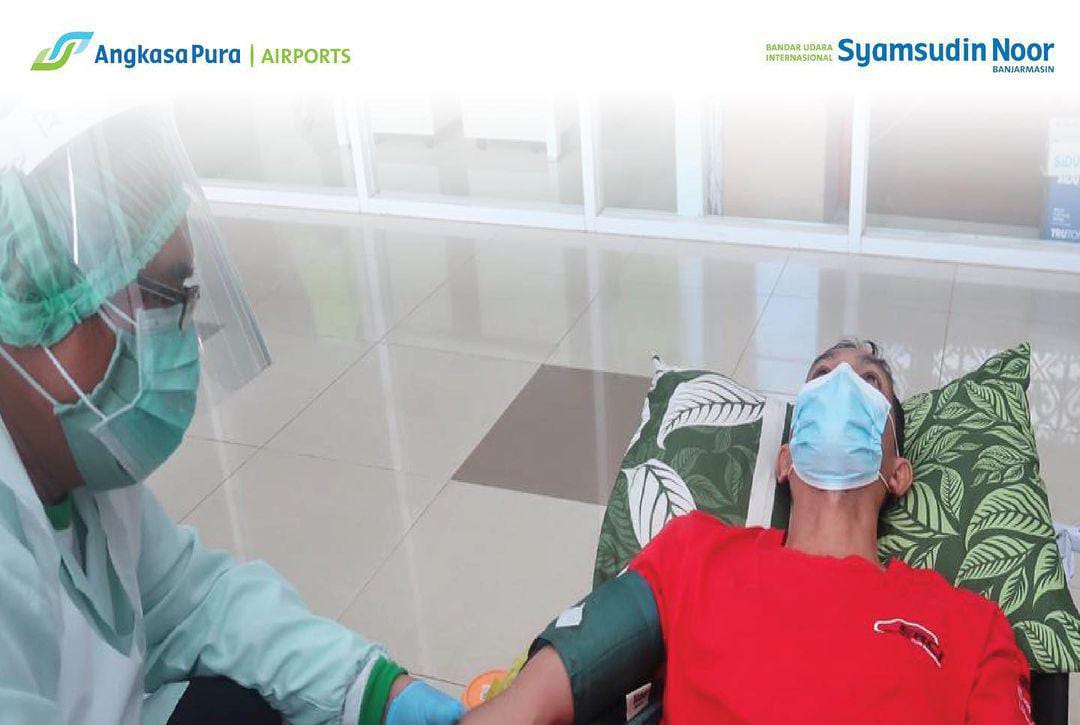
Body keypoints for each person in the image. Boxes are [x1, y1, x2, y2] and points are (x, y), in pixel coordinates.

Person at [0, 104, 465, 724]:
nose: (179, 336)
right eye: (162, 296)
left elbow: (190, 604)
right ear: (29, 294)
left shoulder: (79, 468)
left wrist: (377, 691)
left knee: (234, 703)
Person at [462, 340, 1034, 724]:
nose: (841, 386)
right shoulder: (694, 555)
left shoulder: (973, 629)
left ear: (899, 472)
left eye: (869, 381)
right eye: (822, 377)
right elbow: (533, 702)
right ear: (785, 458)